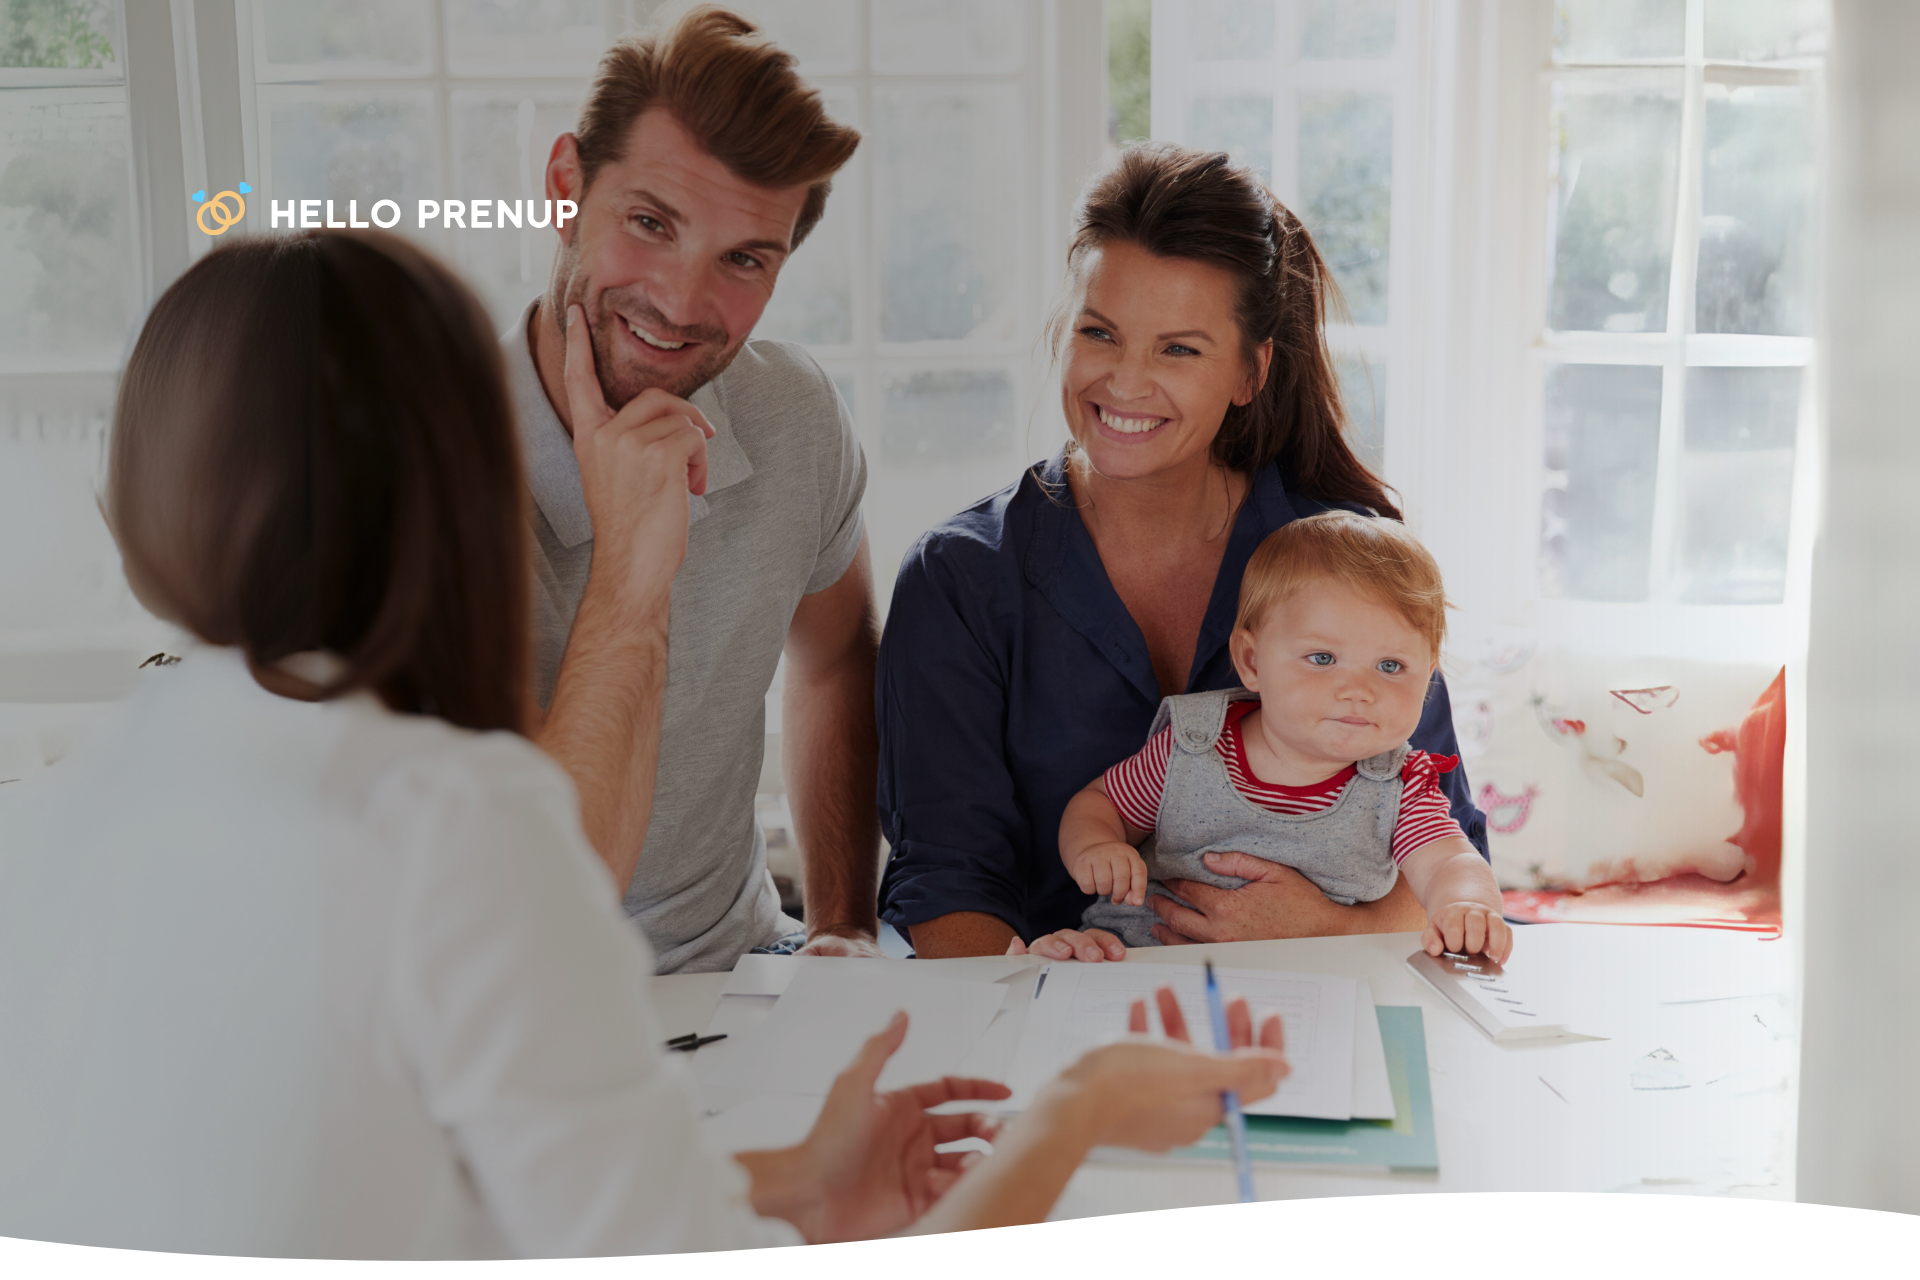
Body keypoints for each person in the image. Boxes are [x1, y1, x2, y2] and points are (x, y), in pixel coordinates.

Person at [0, 230, 1289, 1258]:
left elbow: (420, 1181)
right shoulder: (451, 821)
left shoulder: (56, 821)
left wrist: (792, 1176)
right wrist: (1079, 1112)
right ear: (464, 493)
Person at [878, 143, 1490, 959]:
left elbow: (1454, 861)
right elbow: (946, 881)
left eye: (1179, 349)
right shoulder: (959, 579)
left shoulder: (1349, 562)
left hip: (1322, 1000)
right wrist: (1037, 1003)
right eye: (1101, 333)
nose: (1126, 383)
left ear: (1250, 372)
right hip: (1051, 998)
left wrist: (1325, 927)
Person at [514, 5, 881, 970]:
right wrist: (631, 563)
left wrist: (843, 925)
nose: (681, 304)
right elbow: (541, 892)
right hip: (528, 995)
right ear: (565, 188)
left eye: (744, 259)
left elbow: (837, 657)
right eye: (650, 223)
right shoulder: (427, 461)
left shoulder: (792, 413)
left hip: (746, 965)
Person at [1033, 511, 1513, 963]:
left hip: (1310, 986)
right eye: (1322, 658)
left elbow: (1449, 862)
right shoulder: (1193, 747)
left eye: (1390, 666)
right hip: (1142, 958)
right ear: (1252, 661)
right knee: (1087, 957)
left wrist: (1469, 906)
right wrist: (1096, 847)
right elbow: (1101, 805)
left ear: (1427, 678)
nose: (1358, 691)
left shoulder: (1400, 789)